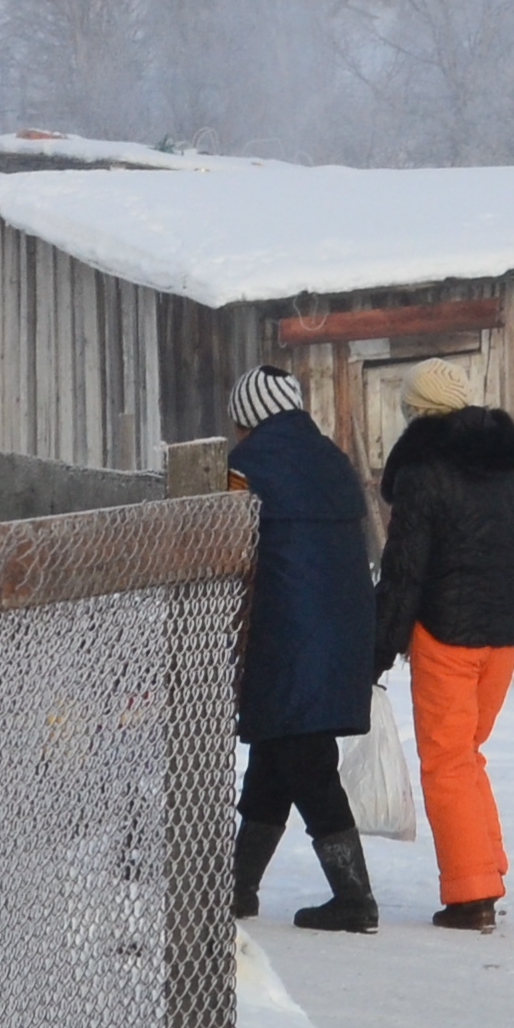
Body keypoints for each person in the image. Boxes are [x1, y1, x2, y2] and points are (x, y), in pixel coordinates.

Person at [372, 356, 514, 931]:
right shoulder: (508, 467)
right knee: (467, 753)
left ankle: (472, 895)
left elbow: (404, 570)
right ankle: (486, 867)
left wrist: (380, 647)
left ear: (417, 412)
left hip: (446, 633)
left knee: (446, 761)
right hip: (504, 636)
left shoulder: (422, 472)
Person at [225, 366, 382, 932]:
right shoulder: (333, 460)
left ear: (250, 416)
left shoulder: (245, 467)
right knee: (277, 751)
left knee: (305, 760)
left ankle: (354, 897)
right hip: (342, 628)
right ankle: (237, 888)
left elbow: (227, 546)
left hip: (283, 629)